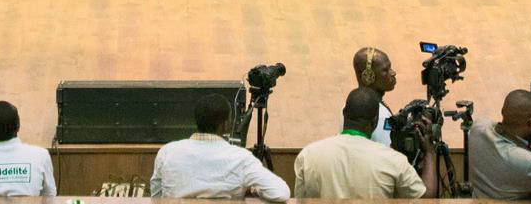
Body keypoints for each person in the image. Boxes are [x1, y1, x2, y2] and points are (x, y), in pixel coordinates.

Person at [294, 86, 433, 198]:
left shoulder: (308, 155)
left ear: (344, 113)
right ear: (375, 121)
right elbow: (426, 197)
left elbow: (299, 200)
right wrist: (430, 152)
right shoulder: (393, 160)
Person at [149, 93, 289, 201]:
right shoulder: (242, 158)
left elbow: (156, 197)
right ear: (225, 124)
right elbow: (281, 193)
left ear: (196, 120)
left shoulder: (167, 152)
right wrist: (252, 190)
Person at [353, 46, 397, 147]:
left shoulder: (349, 106)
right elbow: (387, 154)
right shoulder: (379, 115)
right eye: (385, 70)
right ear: (367, 76)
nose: (393, 73)